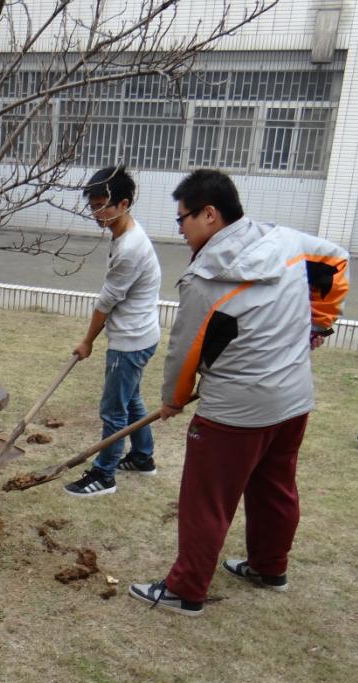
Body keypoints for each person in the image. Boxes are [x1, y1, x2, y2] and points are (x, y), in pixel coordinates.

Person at [130, 169, 349, 616]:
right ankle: (270, 567)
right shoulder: (286, 242)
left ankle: (186, 590)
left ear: (210, 214)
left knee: (205, 499)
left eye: (182, 219)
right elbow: (337, 261)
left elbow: (184, 351)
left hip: (234, 413)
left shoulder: (204, 280)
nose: (180, 230)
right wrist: (320, 321)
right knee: (275, 485)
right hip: (292, 400)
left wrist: (174, 397)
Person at [64, 166, 162, 497]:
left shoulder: (131, 247)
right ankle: (142, 457)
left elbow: (105, 303)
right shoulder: (125, 235)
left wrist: (87, 341)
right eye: (91, 206)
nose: (95, 213)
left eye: (101, 205)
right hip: (140, 334)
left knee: (113, 410)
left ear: (124, 203)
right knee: (131, 398)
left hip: (130, 341)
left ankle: (104, 476)